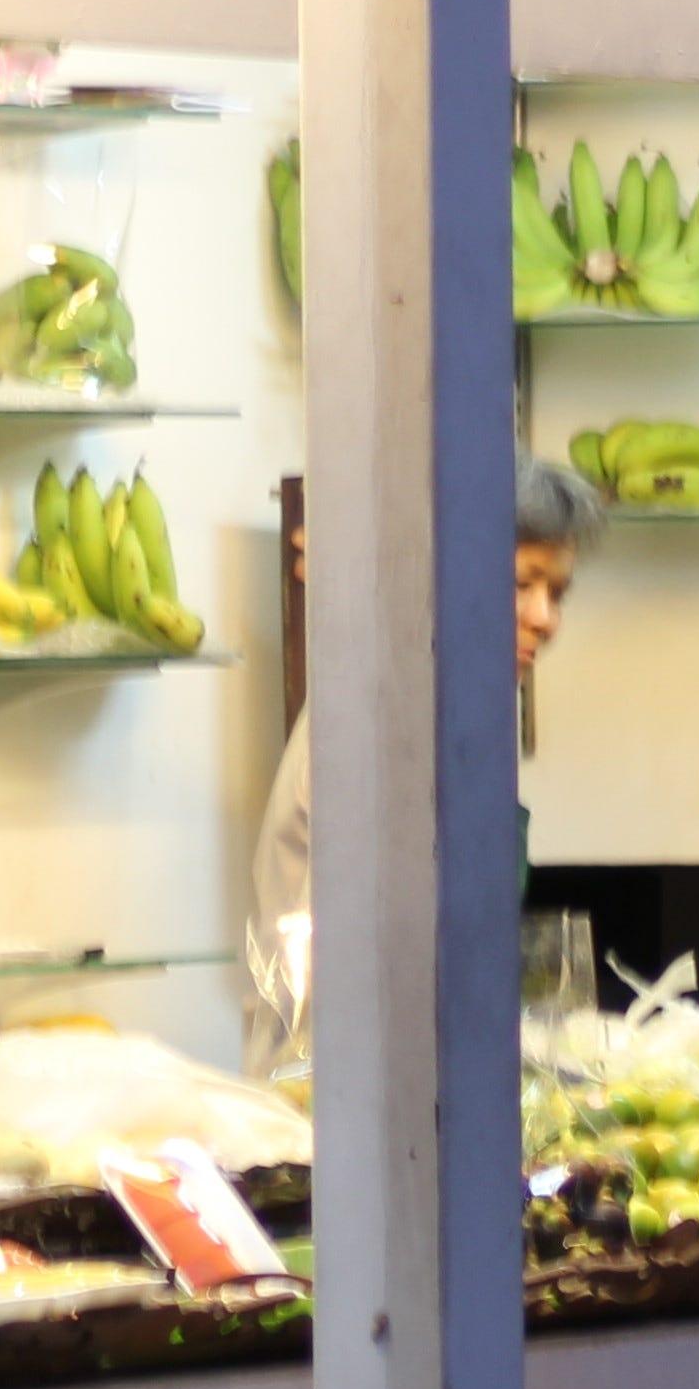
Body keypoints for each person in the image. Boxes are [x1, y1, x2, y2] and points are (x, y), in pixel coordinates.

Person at [240, 450, 607, 1079]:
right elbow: (351, 968)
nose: (544, 618)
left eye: (557, 593)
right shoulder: (384, 724)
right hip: (336, 1091)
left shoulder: (448, 715)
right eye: (520, 584)